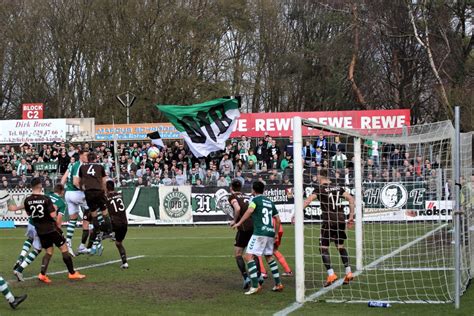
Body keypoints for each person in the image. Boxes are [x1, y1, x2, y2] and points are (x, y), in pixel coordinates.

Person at [23, 178, 85, 283]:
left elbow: (29, 214)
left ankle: (42, 274)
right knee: (64, 248)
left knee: (49, 252)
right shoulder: (45, 199)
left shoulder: (27, 200)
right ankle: (72, 273)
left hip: (40, 230)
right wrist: (58, 227)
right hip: (51, 228)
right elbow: (54, 216)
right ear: (40, 186)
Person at [303, 169, 355, 287]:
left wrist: (297, 213)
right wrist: (351, 217)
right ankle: (349, 273)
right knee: (340, 246)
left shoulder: (320, 189)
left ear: (321, 176)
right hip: (341, 220)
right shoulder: (337, 187)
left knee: (323, 248)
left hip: (329, 221)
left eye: (317, 175)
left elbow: (308, 200)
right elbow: (351, 199)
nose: (316, 177)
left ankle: (331, 274)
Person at [232, 181, 284, 295]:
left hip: (260, 232)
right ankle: (278, 283)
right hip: (270, 232)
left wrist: (239, 222)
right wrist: (275, 233)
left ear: (253, 190)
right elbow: (278, 219)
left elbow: (249, 211)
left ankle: (255, 285)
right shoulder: (270, 202)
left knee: (247, 256)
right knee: (269, 257)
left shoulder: (254, 200)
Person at [13, 184, 67, 281]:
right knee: (37, 249)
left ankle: (21, 257)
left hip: (31, 222)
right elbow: (54, 216)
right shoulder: (56, 201)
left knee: (30, 239)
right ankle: (19, 270)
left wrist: (16, 208)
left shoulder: (44, 195)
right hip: (41, 225)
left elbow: (27, 207)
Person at [78, 152, 114, 255]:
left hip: (89, 192)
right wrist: (104, 191)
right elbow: (104, 181)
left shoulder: (82, 168)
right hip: (98, 191)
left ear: (88, 159)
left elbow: (80, 181)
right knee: (104, 212)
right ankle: (110, 232)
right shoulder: (100, 167)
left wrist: (82, 188)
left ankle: (97, 231)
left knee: (93, 214)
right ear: (96, 159)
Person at [61, 149, 89, 256]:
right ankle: (97, 236)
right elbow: (76, 182)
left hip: (68, 194)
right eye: (86, 155)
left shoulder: (71, 165)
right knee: (94, 207)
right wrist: (86, 190)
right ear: (81, 156)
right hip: (76, 193)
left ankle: (68, 241)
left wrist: (60, 191)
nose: (87, 157)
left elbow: (63, 178)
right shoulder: (79, 165)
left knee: (73, 219)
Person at [228, 180, 254, 290]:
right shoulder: (246, 196)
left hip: (243, 228)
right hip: (253, 226)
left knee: (238, 253)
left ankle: (246, 278)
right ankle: (258, 275)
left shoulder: (232, 197)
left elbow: (237, 208)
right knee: (253, 253)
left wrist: (235, 220)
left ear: (231, 188)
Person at [106, 181, 129, 269]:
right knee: (118, 243)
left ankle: (107, 235)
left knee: (98, 226)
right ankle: (125, 263)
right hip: (124, 223)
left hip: (115, 223)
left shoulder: (106, 197)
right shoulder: (120, 195)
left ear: (107, 188)